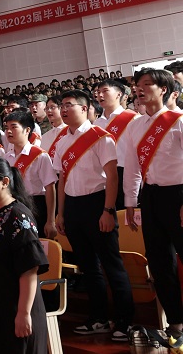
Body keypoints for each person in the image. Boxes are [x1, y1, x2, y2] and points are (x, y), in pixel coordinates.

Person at [54, 89, 133, 341]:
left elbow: (112, 177)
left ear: (85, 108)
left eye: (69, 105)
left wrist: (108, 210)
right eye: (61, 105)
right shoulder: (62, 142)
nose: (64, 110)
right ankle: (98, 318)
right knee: (88, 267)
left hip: (97, 203)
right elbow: (62, 179)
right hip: (73, 207)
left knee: (111, 264)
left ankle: (125, 321)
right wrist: (60, 213)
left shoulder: (101, 137)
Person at [123, 68, 183, 341]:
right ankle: (176, 324)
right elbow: (132, 167)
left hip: (179, 196)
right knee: (160, 263)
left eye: (147, 84)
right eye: (138, 84)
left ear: (164, 89)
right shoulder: (135, 126)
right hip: (151, 197)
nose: (140, 89)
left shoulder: (178, 121)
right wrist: (130, 202)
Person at [0, 156, 49, 354]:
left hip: (14, 308)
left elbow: (29, 269)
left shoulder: (18, 216)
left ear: (4, 182)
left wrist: (23, 313)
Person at [4, 111, 57, 239]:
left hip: (36, 206)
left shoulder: (40, 156)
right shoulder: (6, 157)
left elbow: (50, 188)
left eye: (13, 127)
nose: (9, 131)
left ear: (27, 130)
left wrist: (51, 220)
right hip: (13, 205)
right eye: (6, 128)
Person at [94, 79, 138, 211]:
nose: (100, 95)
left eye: (105, 91)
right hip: (103, 176)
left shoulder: (133, 118)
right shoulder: (96, 124)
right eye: (98, 92)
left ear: (119, 94)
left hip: (126, 173)